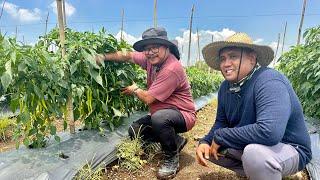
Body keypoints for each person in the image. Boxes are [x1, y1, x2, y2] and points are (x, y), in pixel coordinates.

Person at [196, 32, 312, 179]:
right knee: (211, 149)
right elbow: (221, 122)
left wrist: (221, 136)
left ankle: (267, 167)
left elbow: (270, 132)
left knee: (254, 154)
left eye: (233, 56)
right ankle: (258, 172)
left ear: (252, 59)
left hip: (290, 148)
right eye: (223, 59)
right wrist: (205, 141)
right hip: (258, 145)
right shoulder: (225, 87)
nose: (226, 63)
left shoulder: (269, 81)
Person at [96, 27, 196, 179]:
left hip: (182, 115)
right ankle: (176, 140)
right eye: (146, 49)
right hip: (163, 113)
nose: (150, 52)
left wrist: (135, 89)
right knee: (135, 130)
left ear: (166, 47)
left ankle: (171, 159)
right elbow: (127, 56)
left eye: (154, 47)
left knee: (159, 119)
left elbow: (148, 98)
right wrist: (103, 56)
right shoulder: (151, 59)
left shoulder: (171, 68)